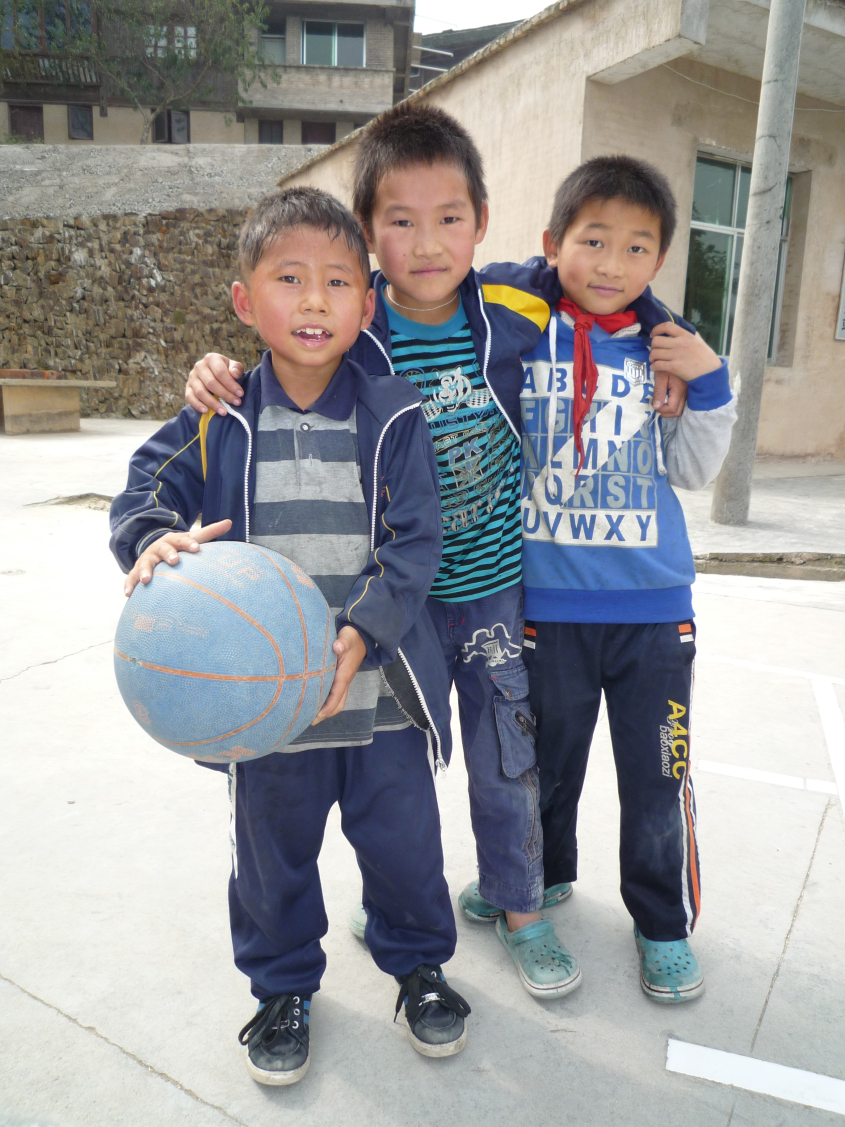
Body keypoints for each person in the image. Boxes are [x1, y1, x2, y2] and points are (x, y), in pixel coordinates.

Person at [182, 104, 691, 1002]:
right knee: (396, 782)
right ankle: (393, 915)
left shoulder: (511, 304)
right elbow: (280, 346)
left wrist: (666, 346)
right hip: (396, 602)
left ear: (481, 225)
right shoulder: (353, 327)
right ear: (368, 238)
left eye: (449, 218)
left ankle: (520, 910)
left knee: (506, 765)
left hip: (495, 595)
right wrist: (210, 372)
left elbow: (600, 276)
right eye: (400, 223)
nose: (427, 243)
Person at [109, 187, 471, 1086]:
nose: (314, 300)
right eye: (289, 278)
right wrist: (154, 539)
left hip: (380, 697)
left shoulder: (392, 411)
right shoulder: (219, 415)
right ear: (243, 301)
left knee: (404, 851)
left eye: (338, 281)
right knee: (271, 862)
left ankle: (418, 967)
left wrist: (366, 630)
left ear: (365, 303)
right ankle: (281, 987)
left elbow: (416, 541)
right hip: (269, 715)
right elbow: (142, 494)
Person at [517, 156, 737, 1003]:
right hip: (546, 612)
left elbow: (690, 470)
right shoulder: (518, 331)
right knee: (540, 770)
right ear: (553, 244)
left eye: (636, 247)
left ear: (658, 262)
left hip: (652, 617)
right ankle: (532, 883)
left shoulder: (669, 350)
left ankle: (661, 925)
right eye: (592, 239)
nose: (611, 264)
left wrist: (708, 381)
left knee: (655, 778)